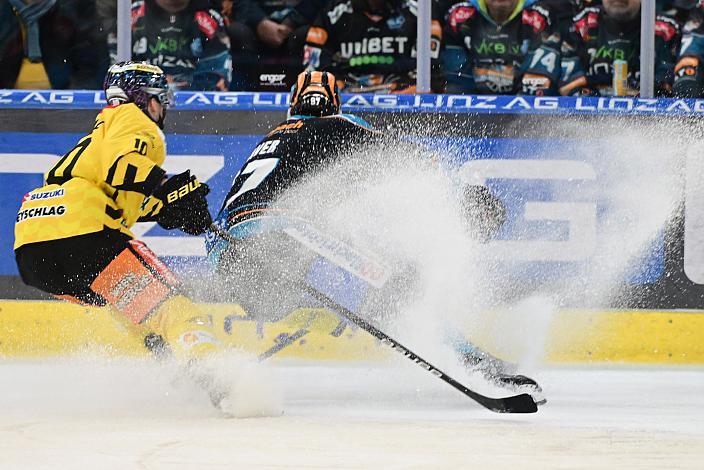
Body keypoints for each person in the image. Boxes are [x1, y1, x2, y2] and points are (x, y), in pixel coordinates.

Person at [206, 70, 542, 400]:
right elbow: (410, 160)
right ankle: (477, 365)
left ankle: (220, 374)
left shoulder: (272, 139)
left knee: (315, 287)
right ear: (334, 103)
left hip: (230, 256)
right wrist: (464, 194)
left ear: (293, 105)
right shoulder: (337, 125)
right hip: (282, 235)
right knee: (403, 282)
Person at [13, 61, 228, 406]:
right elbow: (121, 165)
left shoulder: (93, 140)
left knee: (135, 306)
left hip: (34, 252)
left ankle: (173, 363)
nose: (164, 106)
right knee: (172, 305)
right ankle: (220, 375)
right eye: (161, 98)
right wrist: (166, 185)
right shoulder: (131, 118)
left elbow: (119, 194)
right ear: (142, 98)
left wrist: (170, 210)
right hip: (83, 234)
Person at [522, 0, 681, 96]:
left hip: (646, 121)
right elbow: (565, 88)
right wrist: (594, 82)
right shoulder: (583, 23)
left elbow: (671, 89)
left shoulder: (665, 29)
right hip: (586, 120)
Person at [302, 0, 445, 93]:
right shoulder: (333, 13)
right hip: (346, 87)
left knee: (423, 90)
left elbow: (429, 69)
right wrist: (333, 84)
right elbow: (313, 68)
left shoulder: (420, 10)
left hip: (400, 87)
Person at [441, 0, 561, 95]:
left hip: (525, 104)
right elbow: (456, 79)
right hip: (473, 101)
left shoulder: (540, 16)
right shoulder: (459, 17)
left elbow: (541, 81)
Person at [107, 0, 232, 91]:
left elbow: (217, 79)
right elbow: (115, 77)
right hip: (141, 104)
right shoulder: (131, 15)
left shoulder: (209, 19)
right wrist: (153, 84)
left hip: (193, 108)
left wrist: (178, 87)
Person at [0, 0, 109, 89]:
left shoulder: (77, 6)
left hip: (65, 106)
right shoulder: (4, 9)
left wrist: (68, 107)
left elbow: (93, 71)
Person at [219, 0, 325, 89]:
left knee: (312, 34)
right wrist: (259, 21)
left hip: (296, 26)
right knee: (236, 32)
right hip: (255, 25)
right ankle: (244, 89)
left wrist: (292, 21)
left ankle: (307, 88)